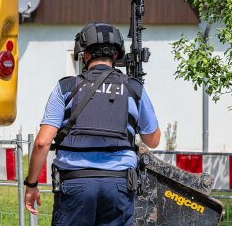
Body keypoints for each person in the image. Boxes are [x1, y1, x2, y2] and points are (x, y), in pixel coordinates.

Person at [24, 22, 161, 226]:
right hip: (119, 185)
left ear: (85, 54)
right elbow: (153, 140)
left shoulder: (66, 87)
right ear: (116, 56)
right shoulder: (134, 89)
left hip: (74, 183)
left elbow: (42, 143)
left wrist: (31, 185)